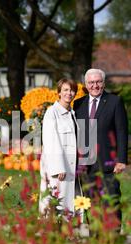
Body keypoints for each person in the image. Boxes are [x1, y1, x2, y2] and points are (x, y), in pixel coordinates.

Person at [73, 68, 128, 230]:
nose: (95, 85)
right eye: (91, 82)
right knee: (91, 203)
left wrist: (122, 160)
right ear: (86, 84)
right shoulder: (78, 104)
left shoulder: (114, 102)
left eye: (98, 82)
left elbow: (122, 131)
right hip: (85, 165)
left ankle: (114, 239)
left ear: (103, 83)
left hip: (108, 163)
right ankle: (96, 240)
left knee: (112, 201)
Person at [39, 78, 80, 218]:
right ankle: (50, 232)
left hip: (71, 166)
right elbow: (50, 141)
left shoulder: (72, 114)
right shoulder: (52, 113)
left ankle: (67, 232)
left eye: (72, 90)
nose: (69, 93)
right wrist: (58, 167)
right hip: (59, 169)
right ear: (59, 93)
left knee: (67, 201)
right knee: (54, 201)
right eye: (66, 90)